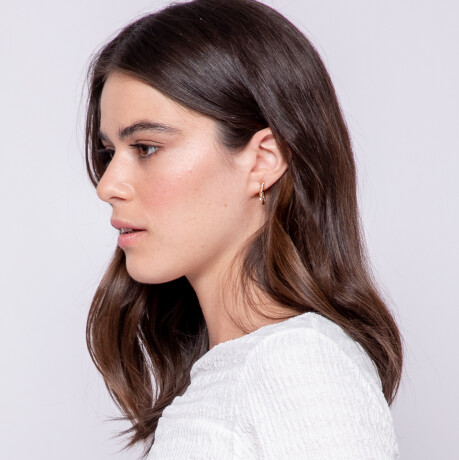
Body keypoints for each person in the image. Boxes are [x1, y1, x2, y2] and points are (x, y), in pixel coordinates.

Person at [84, 0, 403, 458]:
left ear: (263, 160)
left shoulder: (298, 363)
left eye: (146, 147)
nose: (108, 185)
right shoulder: (239, 372)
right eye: (108, 152)